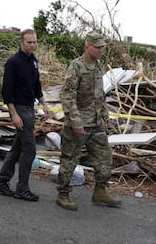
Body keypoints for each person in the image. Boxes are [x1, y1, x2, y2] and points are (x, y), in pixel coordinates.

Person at [56, 30, 121, 211]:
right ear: (87, 47)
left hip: (96, 122)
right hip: (78, 124)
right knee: (70, 159)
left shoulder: (99, 66)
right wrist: (76, 122)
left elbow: (100, 95)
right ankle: (62, 194)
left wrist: (105, 116)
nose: (101, 50)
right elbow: (67, 97)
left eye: (102, 47)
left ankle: (100, 191)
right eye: (97, 47)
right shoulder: (76, 67)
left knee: (105, 157)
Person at [0, 29, 50, 202]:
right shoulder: (13, 62)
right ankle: (22, 189)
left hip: (29, 107)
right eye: (29, 42)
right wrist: (14, 114)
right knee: (29, 149)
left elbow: (36, 85)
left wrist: (44, 103)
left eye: (34, 42)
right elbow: (6, 91)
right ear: (21, 43)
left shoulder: (33, 61)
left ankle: (1, 181)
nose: (32, 45)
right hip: (20, 109)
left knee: (18, 147)